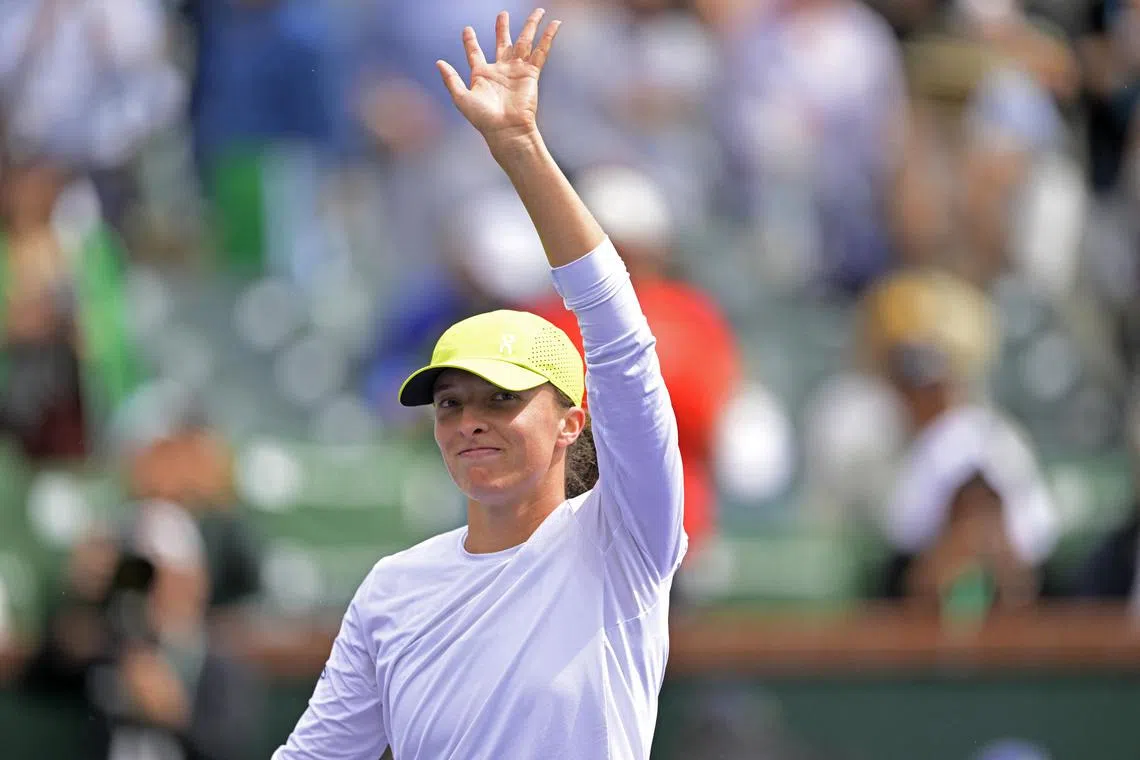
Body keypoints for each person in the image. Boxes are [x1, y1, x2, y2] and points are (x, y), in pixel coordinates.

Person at [274, 9, 686, 760]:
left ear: (570, 422)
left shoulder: (622, 538)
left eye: (503, 398)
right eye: (451, 403)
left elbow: (622, 342)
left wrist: (520, 147)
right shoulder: (393, 591)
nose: (469, 420)